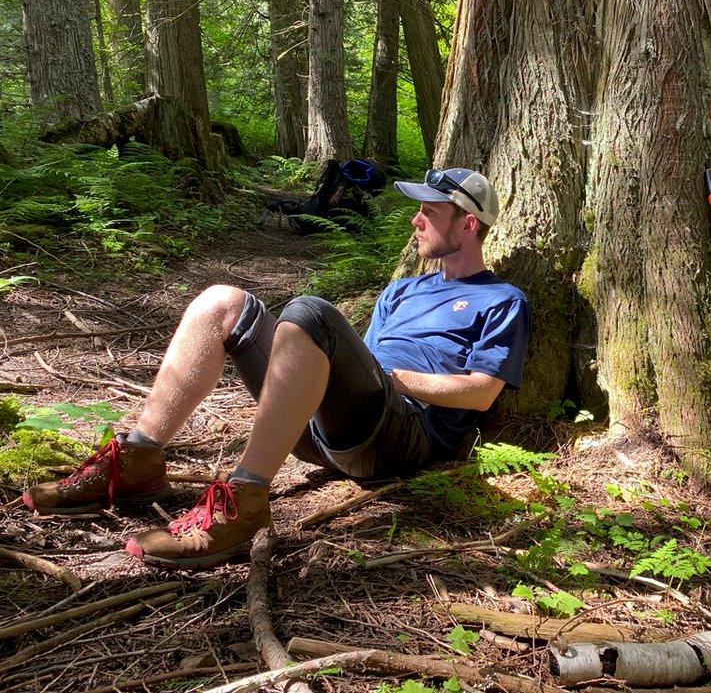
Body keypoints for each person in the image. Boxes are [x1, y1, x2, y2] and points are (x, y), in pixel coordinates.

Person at [22, 168, 531, 570]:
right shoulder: (404, 289)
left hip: (398, 433)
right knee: (222, 302)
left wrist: (393, 378)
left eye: (429, 212)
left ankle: (245, 500)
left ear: (468, 223)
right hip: (332, 424)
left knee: (309, 311)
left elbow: (481, 393)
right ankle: (137, 460)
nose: (415, 221)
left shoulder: (502, 300)